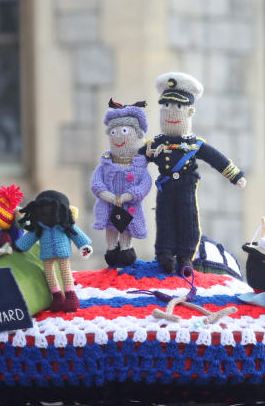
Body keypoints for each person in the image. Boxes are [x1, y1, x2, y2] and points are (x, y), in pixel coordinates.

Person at [141, 72, 247, 274]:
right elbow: (138, 160)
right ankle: (164, 254)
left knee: (188, 221)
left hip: (186, 189)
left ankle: (185, 257)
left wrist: (235, 175)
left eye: (178, 107)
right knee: (164, 220)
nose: (171, 113)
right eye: (166, 107)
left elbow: (216, 159)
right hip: (165, 189)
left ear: (189, 112)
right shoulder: (156, 144)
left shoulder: (194, 145)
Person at [91, 99, 151, 267]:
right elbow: (97, 184)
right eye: (114, 132)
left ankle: (125, 249)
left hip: (129, 206)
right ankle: (111, 249)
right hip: (109, 205)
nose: (118, 136)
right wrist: (108, 196)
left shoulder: (140, 166)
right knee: (111, 226)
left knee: (127, 228)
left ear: (136, 135)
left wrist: (128, 195)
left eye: (124, 131)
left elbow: (145, 185)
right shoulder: (105, 164)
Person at [15, 190, 93, 313]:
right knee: (50, 275)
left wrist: (84, 246)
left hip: (62, 254)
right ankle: (57, 297)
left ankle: (70, 295)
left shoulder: (65, 225)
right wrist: (20, 246)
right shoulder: (39, 228)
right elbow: (30, 238)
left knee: (65, 273)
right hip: (46, 255)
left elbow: (77, 235)